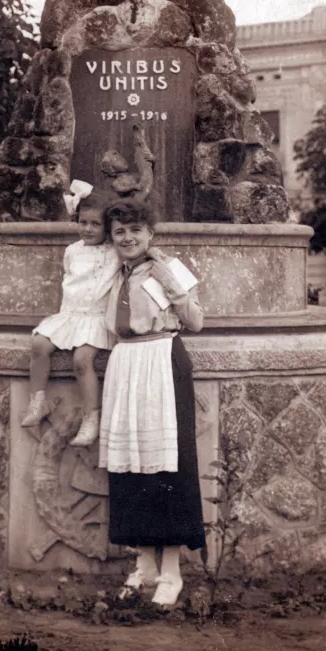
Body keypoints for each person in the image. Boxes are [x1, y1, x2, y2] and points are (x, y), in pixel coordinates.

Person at [98, 200, 205, 608]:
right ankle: (143, 565)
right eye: (119, 231)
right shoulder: (112, 272)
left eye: (135, 230)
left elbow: (195, 321)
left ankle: (171, 572)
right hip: (126, 364)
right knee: (129, 462)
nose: (127, 238)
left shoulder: (169, 267)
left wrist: (170, 282)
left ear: (150, 233)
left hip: (162, 360)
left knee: (167, 466)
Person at [21, 181, 120, 446]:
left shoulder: (114, 252)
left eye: (96, 224)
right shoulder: (72, 251)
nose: (88, 229)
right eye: (83, 222)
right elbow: (70, 279)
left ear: (107, 226)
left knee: (82, 360)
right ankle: (38, 400)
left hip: (96, 317)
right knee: (39, 344)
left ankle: (91, 417)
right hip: (71, 315)